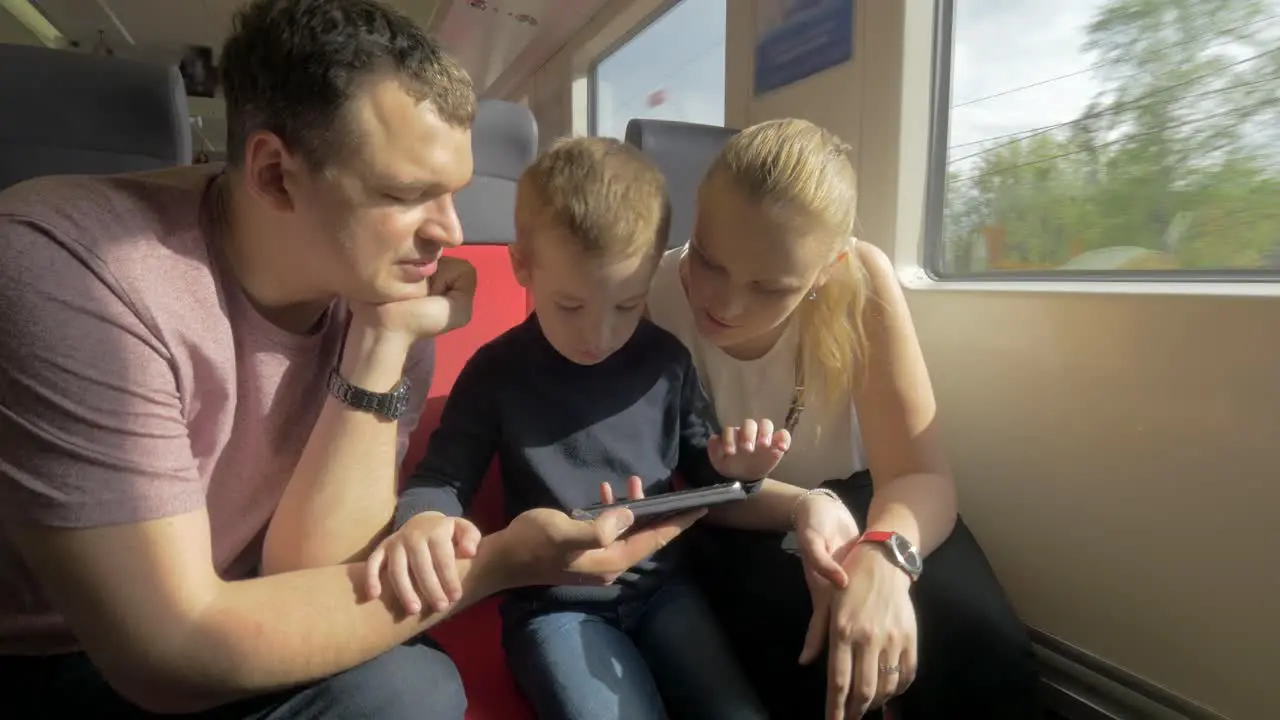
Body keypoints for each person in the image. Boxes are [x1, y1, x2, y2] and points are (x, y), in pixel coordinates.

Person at [0, 1, 703, 717]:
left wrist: (384, 339)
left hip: (258, 605)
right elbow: (169, 653)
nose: (451, 233)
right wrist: (498, 562)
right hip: (69, 658)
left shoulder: (390, 292)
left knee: (413, 688)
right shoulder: (70, 268)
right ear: (275, 175)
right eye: (406, 194)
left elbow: (312, 574)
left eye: (455, 193)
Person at [366, 136, 864, 720]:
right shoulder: (496, 373)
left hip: (664, 593)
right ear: (521, 265)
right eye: (571, 306)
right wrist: (424, 519)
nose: (598, 336)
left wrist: (739, 473)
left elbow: (706, 470)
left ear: (652, 273)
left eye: (626, 306)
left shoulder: (666, 362)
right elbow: (441, 478)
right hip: (555, 607)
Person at [646, 118, 1043, 719]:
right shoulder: (649, 297)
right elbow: (679, 484)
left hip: (869, 498)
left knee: (984, 646)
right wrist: (803, 507)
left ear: (827, 269)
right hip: (733, 510)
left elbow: (919, 475)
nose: (724, 304)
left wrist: (885, 561)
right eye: (708, 260)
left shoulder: (864, 282)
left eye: (770, 287)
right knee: (806, 646)